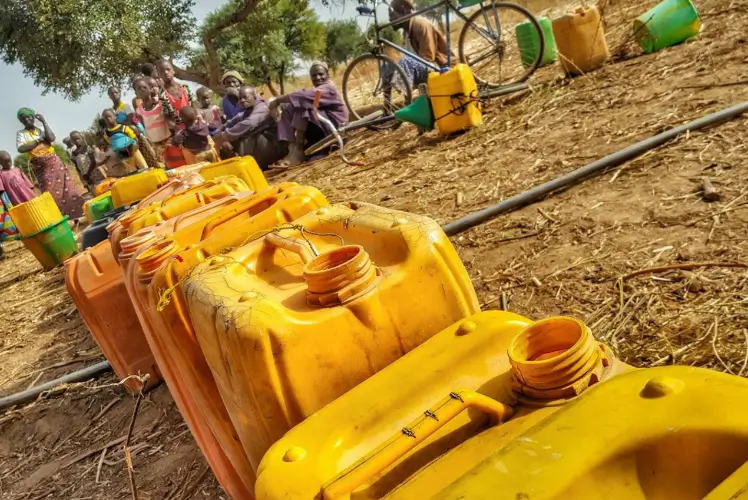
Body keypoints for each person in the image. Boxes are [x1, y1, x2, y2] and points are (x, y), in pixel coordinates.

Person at [269, 62, 348, 167]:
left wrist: (278, 100)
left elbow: (304, 95)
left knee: (304, 106)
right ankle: (292, 149)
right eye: (314, 75)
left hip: (337, 130)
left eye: (321, 74)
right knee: (287, 107)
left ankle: (300, 149)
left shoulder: (328, 88)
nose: (318, 77)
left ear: (327, 75)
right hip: (324, 127)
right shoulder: (318, 89)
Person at [15, 108, 84, 219]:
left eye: (28, 117)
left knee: (67, 187)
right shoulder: (21, 134)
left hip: (54, 162)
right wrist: (38, 140)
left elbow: (51, 138)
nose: (26, 119)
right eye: (23, 118)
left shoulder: (41, 129)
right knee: (49, 191)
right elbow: (21, 148)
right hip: (40, 166)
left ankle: (77, 215)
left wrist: (44, 121)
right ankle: (60, 218)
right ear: (21, 121)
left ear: (33, 118)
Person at [214, 86, 286, 170]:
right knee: (227, 142)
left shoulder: (263, 108)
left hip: (273, 145)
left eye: (245, 97)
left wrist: (224, 136)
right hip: (262, 146)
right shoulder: (246, 111)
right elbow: (231, 122)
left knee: (241, 138)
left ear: (254, 97)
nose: (242, 100)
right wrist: (218, 134)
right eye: (240, 98)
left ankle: (250, 165)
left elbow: (249, 123)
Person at [388, 0, 454, 88]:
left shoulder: (420, 25)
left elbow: (428, 58)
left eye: (392, 14)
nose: (390, 19)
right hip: (425, 68)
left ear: (404, 11)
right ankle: (388, 101)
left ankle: (408, 98)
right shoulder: (406, 32)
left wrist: (409, 69)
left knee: (405, 62)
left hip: (440, 68)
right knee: (387, 67)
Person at [135, 76, 187, 169]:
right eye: (139, 89)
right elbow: (144, 127)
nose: (142, 90)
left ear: (150, 89)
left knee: (180, 163)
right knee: (168, 166)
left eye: (144, 87)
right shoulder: (138, 111)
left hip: (169, 140)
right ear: (136, 94)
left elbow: (170, 116)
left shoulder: (160, 104)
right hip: (156, 145)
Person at [157, 60, 195, 129]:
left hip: (194, 124)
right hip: (181, 129)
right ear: (159, 75)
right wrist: (178, 129)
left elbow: (194, 105)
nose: (166, 72)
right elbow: (167, 117)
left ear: (173, 71)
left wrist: (198, 118)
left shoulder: (185, 87)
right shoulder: (162, 95)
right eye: (162, 71)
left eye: (168, 69)